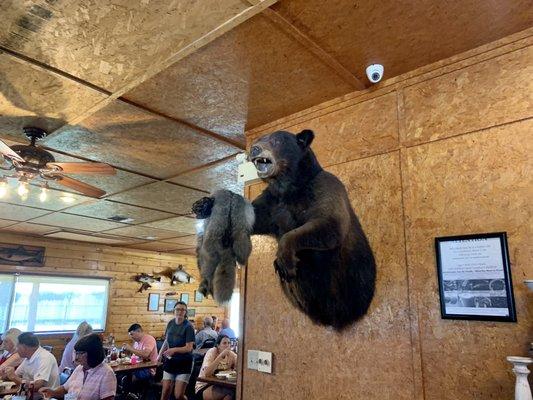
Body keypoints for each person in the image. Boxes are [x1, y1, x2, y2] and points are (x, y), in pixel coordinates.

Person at [39, 333, 116, 400]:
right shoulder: (80, 368)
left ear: (92, 353)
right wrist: (52, 392)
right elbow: (65, 388)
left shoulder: (106, 373)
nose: (76, 357)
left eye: (80, 353)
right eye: (76, 353)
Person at [3, 332, 59, 397]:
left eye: (17, 346)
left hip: (44, 397)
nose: (16, 350)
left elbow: (37, 386)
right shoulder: (28, 357)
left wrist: (14, 377)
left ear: (24, 347)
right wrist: (7, 374)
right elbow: (16, 375)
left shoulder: (45, 358)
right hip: (28, 394)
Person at [158, 301, 195, 400]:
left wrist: (174, 350)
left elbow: (189, 348)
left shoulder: (189, 327)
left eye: (183, 310)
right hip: (170, 361)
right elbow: (166, 341)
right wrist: (159, 355)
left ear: (185, 312)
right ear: (174, 311)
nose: (180, 312)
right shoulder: (170, 323)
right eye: (178, 309)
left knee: (178, 395)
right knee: (165, 391)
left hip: (184, 363)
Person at [195, 335, 237, 400]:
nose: (227, 345)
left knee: (233, 392)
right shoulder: (212, 352)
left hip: (221, 384)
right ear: (218, 345)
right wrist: (220, 356)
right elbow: (207, 373)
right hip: (204, 385)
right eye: (224, 343)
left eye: (229, 343)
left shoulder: (231, 354)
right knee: (230, 392)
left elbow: (239, 365)